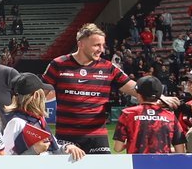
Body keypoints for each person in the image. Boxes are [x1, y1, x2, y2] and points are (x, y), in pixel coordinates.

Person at [41, 23, 139, 154]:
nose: (101, 50)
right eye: (96, 45)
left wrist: (158, 96)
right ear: (81, 44)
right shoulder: (58, 64)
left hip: (97, 137)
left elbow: (133, 87)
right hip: (66, 138)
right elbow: (39, 95)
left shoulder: (108, 67)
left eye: (102, 45)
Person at [1, 73, 84, 159]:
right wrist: (34, 150)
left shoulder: (39, 120)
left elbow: (52, 149)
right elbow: (6, 159)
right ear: (36, 95)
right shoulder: (16, 122)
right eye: (43, 93)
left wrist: (66, 148)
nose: (45, 97)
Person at [113, 76, 186, 154]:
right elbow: (180, 151)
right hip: (163, 164)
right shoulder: (170, 116)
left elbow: (118, 148)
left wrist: (130, 142)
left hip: (137, 164)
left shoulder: (127, 113)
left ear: (139, 94)